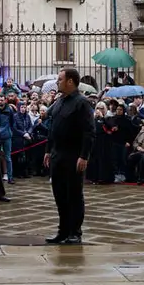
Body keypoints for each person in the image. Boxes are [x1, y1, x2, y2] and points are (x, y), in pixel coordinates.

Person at [45, 66, 93, 245]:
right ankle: (63, 230)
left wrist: (84, 156)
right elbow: (52, 127)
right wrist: (48, 150)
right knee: (59, 194)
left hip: (74, 155)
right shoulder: (59, 102)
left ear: (70, 81)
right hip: (58, 154)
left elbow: (89, 132)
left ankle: (75, 232)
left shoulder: (82, 103)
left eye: (60, 79)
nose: (57, 82)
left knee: (73, 194)